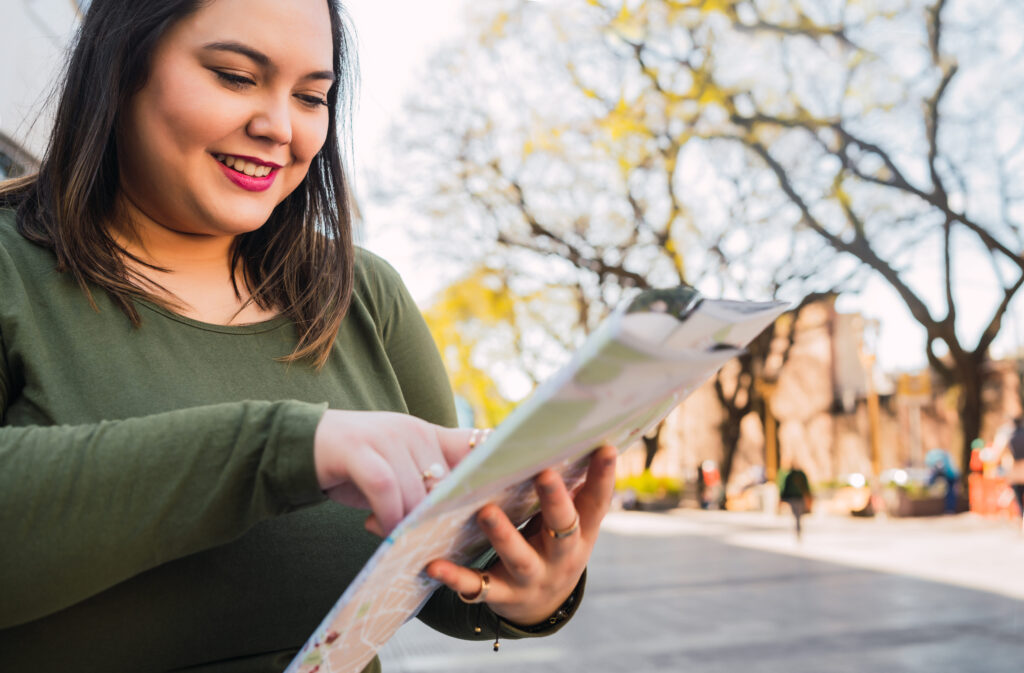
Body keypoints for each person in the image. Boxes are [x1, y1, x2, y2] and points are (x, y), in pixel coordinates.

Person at [0, 1, 617, 670]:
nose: (280, 128)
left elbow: (440, 568)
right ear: (118, 67)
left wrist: (526, 589)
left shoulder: (362, 294)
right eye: (235, 76)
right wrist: (289, 447)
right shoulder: (14, 273)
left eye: (311, 96)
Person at [997, 416, 1024, 531]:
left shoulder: (1010, 436)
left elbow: (1000, 451)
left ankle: (1022, 518)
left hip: (1016, 472)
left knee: (1019, 498)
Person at [779, 463, 813, 540]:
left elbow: (785, 488)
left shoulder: (790, 476)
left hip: (794, 498)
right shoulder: (794, 476)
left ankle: (797, 530)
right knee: (798, 516)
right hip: (797, 498)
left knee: (797, 515)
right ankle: (797, 530)